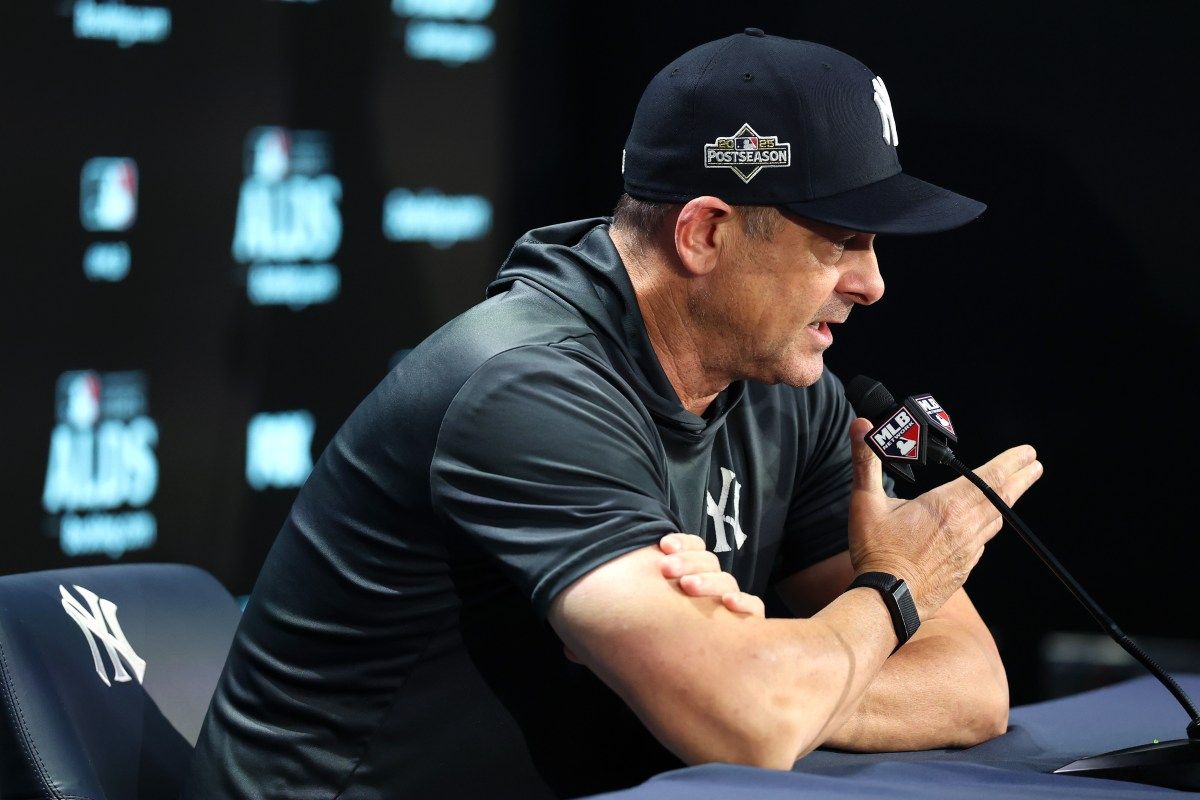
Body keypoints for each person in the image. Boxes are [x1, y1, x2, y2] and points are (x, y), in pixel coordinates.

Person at [183, 30, 1042, 800]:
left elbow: (970, 685)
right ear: (704, 233)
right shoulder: (526, 390)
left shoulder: (791, 396)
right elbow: (748, 722)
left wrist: (766, 673)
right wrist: (895, 589)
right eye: (842, 241)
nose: (872, 283)